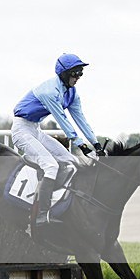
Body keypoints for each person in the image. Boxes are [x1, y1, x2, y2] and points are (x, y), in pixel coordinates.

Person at [12, 53, 104, 227]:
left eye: (81, 73)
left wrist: (95, 143)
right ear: (64, 73)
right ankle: (41, 215)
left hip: (35, 130)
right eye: (75, 73)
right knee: (51, 165)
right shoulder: (49, 92)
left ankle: (62, 203)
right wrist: (80, 144)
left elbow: (80, 119)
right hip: (21, 129)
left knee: (71, 160)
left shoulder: (72, 94)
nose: (78, 77)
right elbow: (62, 119)